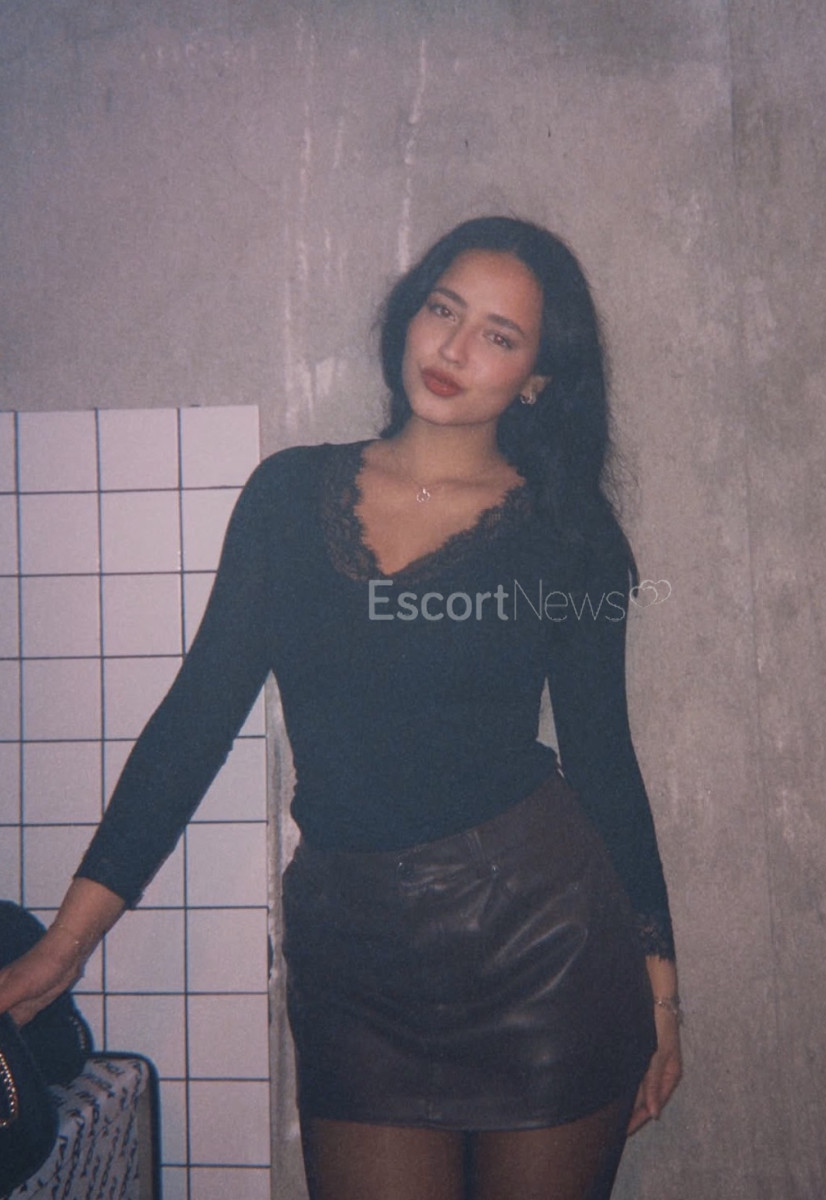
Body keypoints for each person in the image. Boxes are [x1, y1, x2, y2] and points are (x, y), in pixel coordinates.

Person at [0, 216, 681, 1199]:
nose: (453, 348)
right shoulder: (287, 496)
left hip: (544, 950)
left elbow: (604, 758)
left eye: (497, 335)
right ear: (410, 315)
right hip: (354, 966)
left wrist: (662, 988)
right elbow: (195, 721)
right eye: (443, 309)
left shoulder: (568, 532)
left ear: (536, 379)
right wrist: (67, 945)